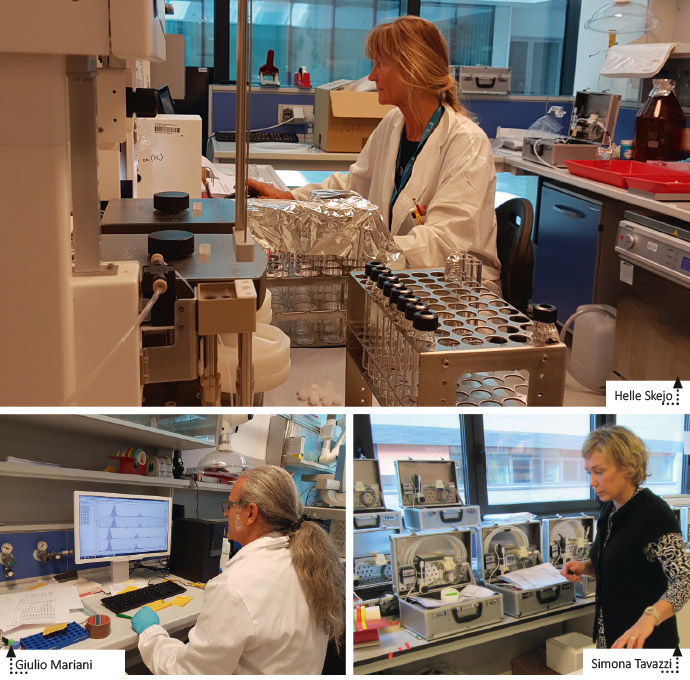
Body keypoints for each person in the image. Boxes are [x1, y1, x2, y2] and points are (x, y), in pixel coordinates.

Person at [247, 16, 501, 293]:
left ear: (412, 68)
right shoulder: (394, 123)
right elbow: (354, 188)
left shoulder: (466, 142)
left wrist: (361, 248)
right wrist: (291, 199)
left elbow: (445, 244)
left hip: (457, 293)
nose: (371, 76)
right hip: (400, 280)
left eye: (380, 63)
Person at [130, 465, 345, 674]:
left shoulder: (235, 585)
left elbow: (187, 672)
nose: (226, 513)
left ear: (251, 513)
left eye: (231, 505)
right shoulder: (309, 562)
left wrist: (152, 634)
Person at [561, 425, 690, 649]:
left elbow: (685, 581)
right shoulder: (610, 509)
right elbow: (624, 563)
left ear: (627, 467)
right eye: (589, 473)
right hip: (612, 637)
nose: (592, 482)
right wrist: (587, 566)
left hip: (648, 646)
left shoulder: (654, 513)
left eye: (599, 472)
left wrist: (649, 618)